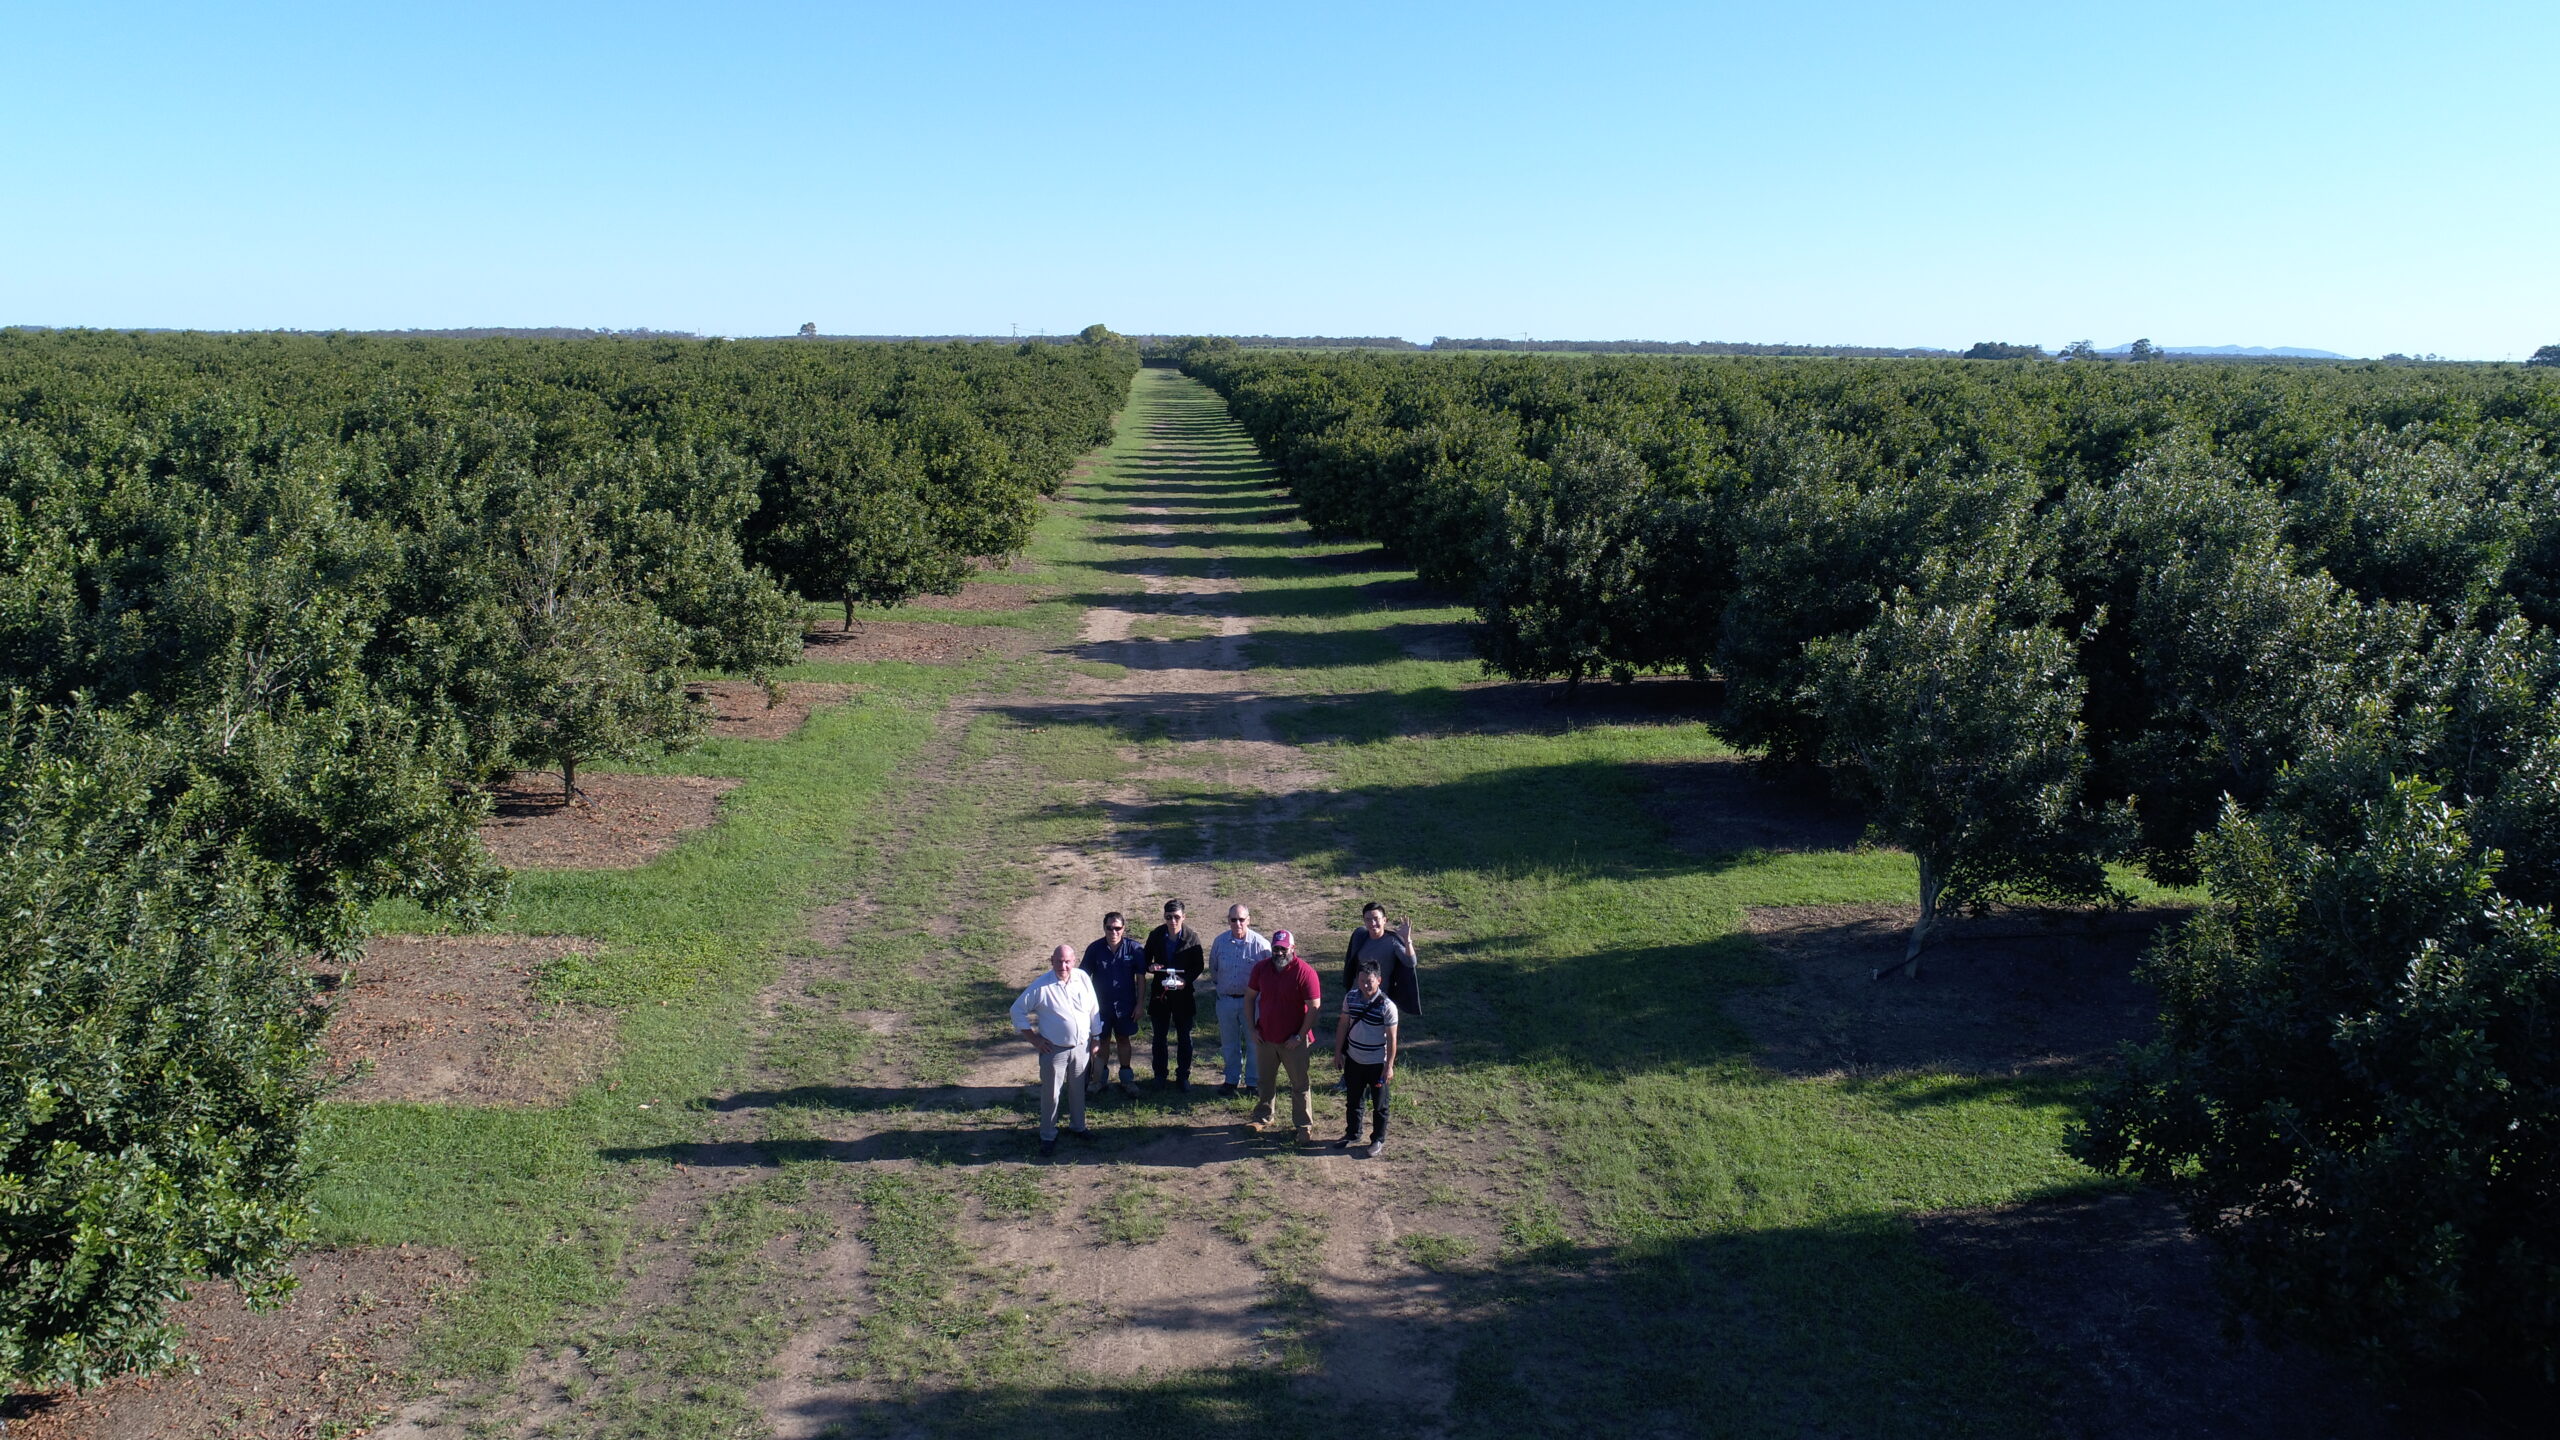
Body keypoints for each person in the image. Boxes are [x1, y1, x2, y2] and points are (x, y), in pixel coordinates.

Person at [1010, 943, 1104, 1157]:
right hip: (1055, 1051)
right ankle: (1048, 1135)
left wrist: (1096, 1036)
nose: (1063, 966)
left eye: (1068, 961)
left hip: (1081, 1047)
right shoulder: (1041, 987)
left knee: (1078, 1090)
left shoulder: (1082, 978)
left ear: (1074, 961)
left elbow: (1093, 1007)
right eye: (1059, 961)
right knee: (1051, 1094)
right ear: (1051, 961)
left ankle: (1078, 1126)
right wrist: (1034, 1039)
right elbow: (1017, 1010)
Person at [1246, 928, 1323, 1143]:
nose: (1278, 953)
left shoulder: (1305, 972)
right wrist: (1252, 1029)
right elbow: (1250, 997)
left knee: (1299, 1083)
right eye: (1275, 948)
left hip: (1293, 1041)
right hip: (1265, 1038)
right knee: (1265, 1080)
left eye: (1283, 949)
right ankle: (1262, 1117)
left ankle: (1303, 1125)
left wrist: (1299, 1037)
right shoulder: (1261, 969)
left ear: (1293, 949)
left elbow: (1314, 1007)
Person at [1332, 958, 1398, 1158]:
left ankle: (1377, 1139)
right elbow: (1343, 1025)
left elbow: (1393, 1039)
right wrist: (1338, 1052)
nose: (1365, 985)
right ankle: (1352, 1133)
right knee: (1353, 1100)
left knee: (1379, 1105)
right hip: (1354, 1059)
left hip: (1376, 1063)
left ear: (1379, 980)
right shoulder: (1350, 997)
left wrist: (1389, 1066)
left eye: (1369, 981)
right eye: (1361, 981)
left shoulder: (1387, 1006)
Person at [1206, 902, 1270, 1096]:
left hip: (1252, 1002)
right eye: (1233, 920)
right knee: (1229, 1042)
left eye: (1241, 919)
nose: (1238, 923)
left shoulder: (1261, 945)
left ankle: (1252, 1082)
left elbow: (1269, 976)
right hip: (1226, 1000)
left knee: (1254, 1042)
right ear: (1228, 920)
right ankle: (1231, 1080)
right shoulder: (1220, 942)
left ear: (1249, 920)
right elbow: (1213, 969)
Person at [1142, 899, 1205, 1090]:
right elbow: (1145, 959)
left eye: (1176, 917)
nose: (1173, 921)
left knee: (1184, 1037)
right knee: (1159, 1037)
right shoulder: (1156, 935)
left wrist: (1186, 981)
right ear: (1164, 917)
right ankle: (1160, 1075)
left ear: (1183, 917)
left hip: (1183, 994)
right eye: (1169, 917)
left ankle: (1183, 1076)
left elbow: (1199, 965)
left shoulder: (1191, 937)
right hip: (1161, 992)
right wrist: (1150, 967)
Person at [1081, 911, 1145, 1096]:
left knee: (1124, 1039)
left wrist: (1139, 1004)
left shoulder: (1134, 949)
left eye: (1117, 928)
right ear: (1104, 928)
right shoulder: (1095, 949)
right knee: (1102, 1041)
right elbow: (1083, 978)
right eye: (1109, 928)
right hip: (1100, 1007)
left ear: (1123, 929)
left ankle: (1127, 1080)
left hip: (1126, 1006)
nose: (1113, 932)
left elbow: (1141, 979)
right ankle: (1099, 1080)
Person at [1342, 903, 1422, 1017]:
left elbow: (1411, 962)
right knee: (1351, 1030)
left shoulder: (1392, 942)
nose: (1372, 923)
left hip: (1378, 999)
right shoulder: (1360, 936)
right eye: (1368, 920)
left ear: (1384, 920)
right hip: (1356, 996)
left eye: (1376, 919)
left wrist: (1407, 940)